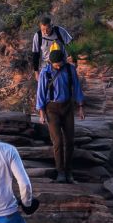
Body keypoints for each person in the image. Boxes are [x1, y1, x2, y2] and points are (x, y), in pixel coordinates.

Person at [33, 16, 87, 182]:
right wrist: (41, 113)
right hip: (52, 109)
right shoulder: (46, 72)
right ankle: (60, 172)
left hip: (67, 107)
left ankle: (69, 171)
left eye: (60, 63)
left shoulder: (70, 70)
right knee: (57, 142)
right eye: (55, 64)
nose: (58, 66)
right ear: (51, 61)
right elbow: (40, 93)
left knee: (70, 140)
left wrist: (80, 106)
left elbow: (76, 88)